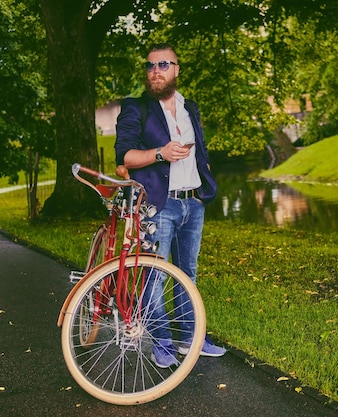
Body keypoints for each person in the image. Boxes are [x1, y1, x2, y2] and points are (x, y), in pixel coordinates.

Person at [114, 43, 225, 368]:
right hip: (158, 206)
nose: (156, 71)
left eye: (164, 64)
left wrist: (206, 178)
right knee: (155, 277)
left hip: (194, 203)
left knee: (187, 275)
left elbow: (199, 149)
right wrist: (160, 152)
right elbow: (125, 156)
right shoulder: (136, 107)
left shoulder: (190, 107)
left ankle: (189, 339)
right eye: (150, 66)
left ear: (177, 69)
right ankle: (161, 341)